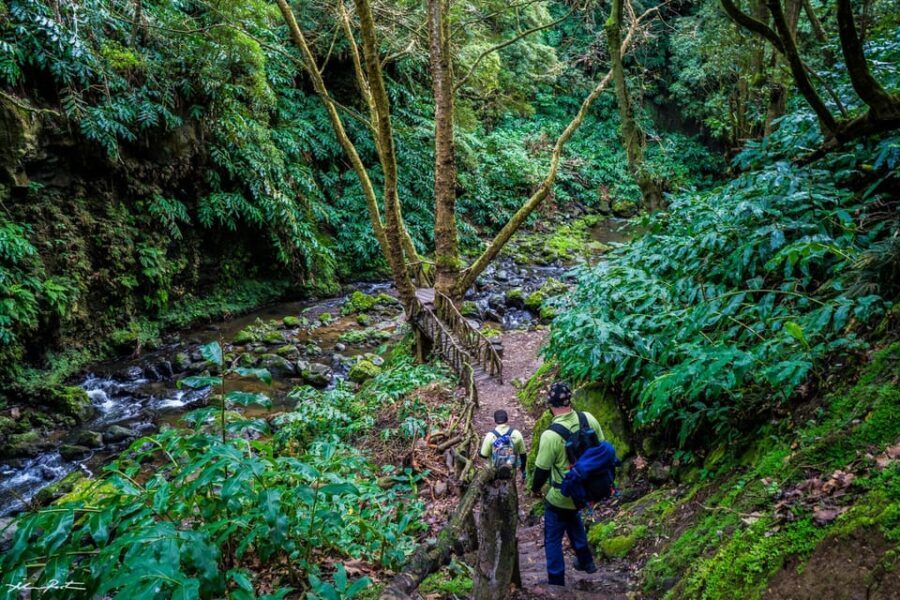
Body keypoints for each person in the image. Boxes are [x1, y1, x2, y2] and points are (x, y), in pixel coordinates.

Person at [531, 382, 602, 587]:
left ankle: (556, 579)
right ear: (570, 400)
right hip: (588, 489)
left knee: (553, 536)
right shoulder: (588, 419)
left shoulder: (550, 435)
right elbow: (602, 447)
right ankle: (587, 561)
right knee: (573, 517)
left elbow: (542, 471)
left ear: (549, 405)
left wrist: (535, 489)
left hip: (562, 493)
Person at [479, 409, 527, 481]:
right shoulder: (517, 434)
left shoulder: (490, 436)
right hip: (511, 470)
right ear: (507, 420)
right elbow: (523, 454)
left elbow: (483, 455)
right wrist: (523, 469)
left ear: (495, 421)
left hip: (495, 471)